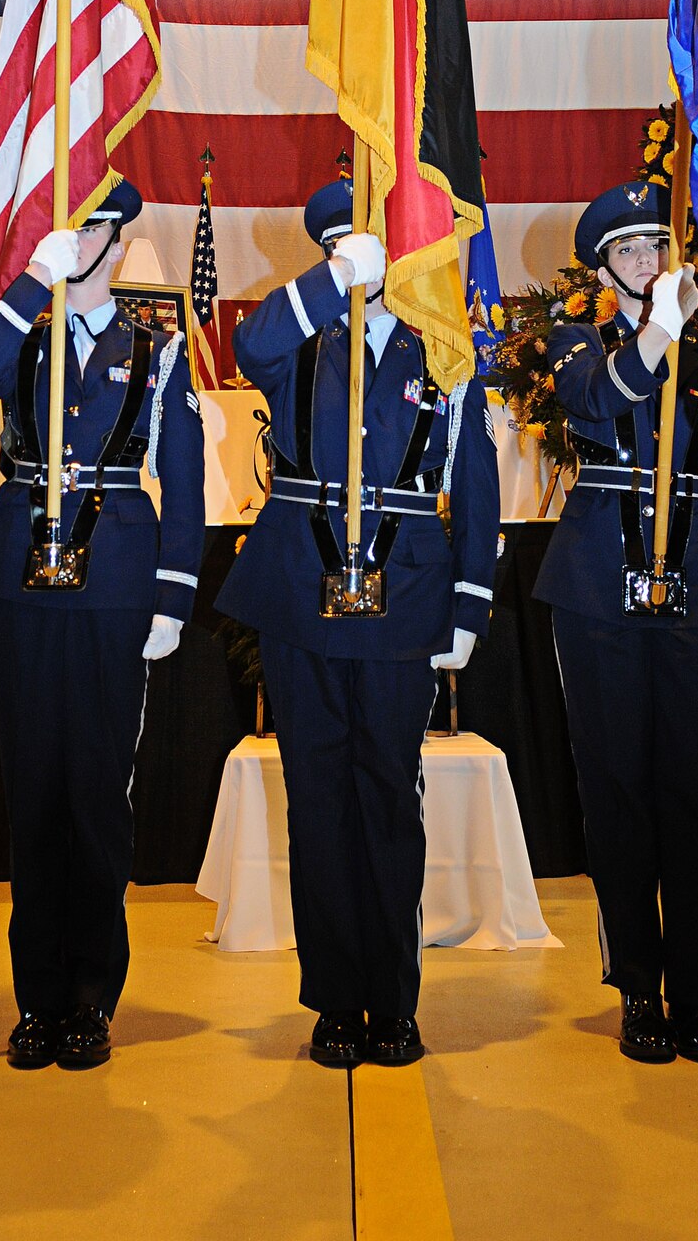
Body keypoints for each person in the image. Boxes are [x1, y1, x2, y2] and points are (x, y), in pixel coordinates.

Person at [217, 178, 501, 1069]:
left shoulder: (437, 344)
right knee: (318, 802)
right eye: (338, 242)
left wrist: (469, 602)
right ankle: (336, 999)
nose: (358, 258)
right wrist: (325, 279)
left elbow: (476, 477)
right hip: (301, 586)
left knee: (388, 798)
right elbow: (247, 343)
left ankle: (395, 996)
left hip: (407, 590)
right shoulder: (298, 333)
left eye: (368, 241)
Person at [0, 181, 205, 1072]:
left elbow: (183, 474)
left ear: (117, 241)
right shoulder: (20, 334)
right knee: (32, 790)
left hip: (113, 581)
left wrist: (174, 594)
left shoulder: (159, 351)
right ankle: (38, 999)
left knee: (97, 790)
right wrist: (31, 283)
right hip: (20, 576)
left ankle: (92, 994)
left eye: (93, 227)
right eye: (68, 227)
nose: (79, 238)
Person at [536, 180, 698, 1066]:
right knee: (618, 795)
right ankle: (638, 985)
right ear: (603, 268)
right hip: (598, 591)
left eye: (656, 247)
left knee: (693, 801)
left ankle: (696, 992)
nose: (645, 261)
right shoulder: (573, 342)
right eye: (628, 251)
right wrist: (661, 327)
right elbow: (600, 401)